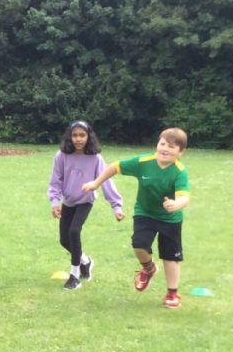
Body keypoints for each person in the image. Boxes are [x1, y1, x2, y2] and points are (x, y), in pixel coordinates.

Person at [82, 127, 190, 308]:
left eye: (171, 147)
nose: (165, 149)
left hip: (170, 219)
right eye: (162, 144)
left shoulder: (179, 171)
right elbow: (115, 167)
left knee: (170, 257)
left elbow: (184, 197)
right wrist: (96, 183)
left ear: (180, 152)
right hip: (145, 213)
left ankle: (172, 294)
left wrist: (175, 204)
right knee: (139, 245)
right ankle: (149, 268)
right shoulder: (144, 162)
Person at [48, 120, 125, 290]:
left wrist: (116, 206)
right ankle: (86, 261)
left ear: (89, 137)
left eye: (82, 135)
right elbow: (55, 181)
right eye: (75, 135)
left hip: (85, 201)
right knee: (64, 240)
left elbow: (106, 181)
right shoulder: (61, 156)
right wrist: (55, 202)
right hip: (68, 201)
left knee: (74, 231)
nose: (78, 139)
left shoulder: (96, 158)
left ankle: (74, 276)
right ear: (69, 137)